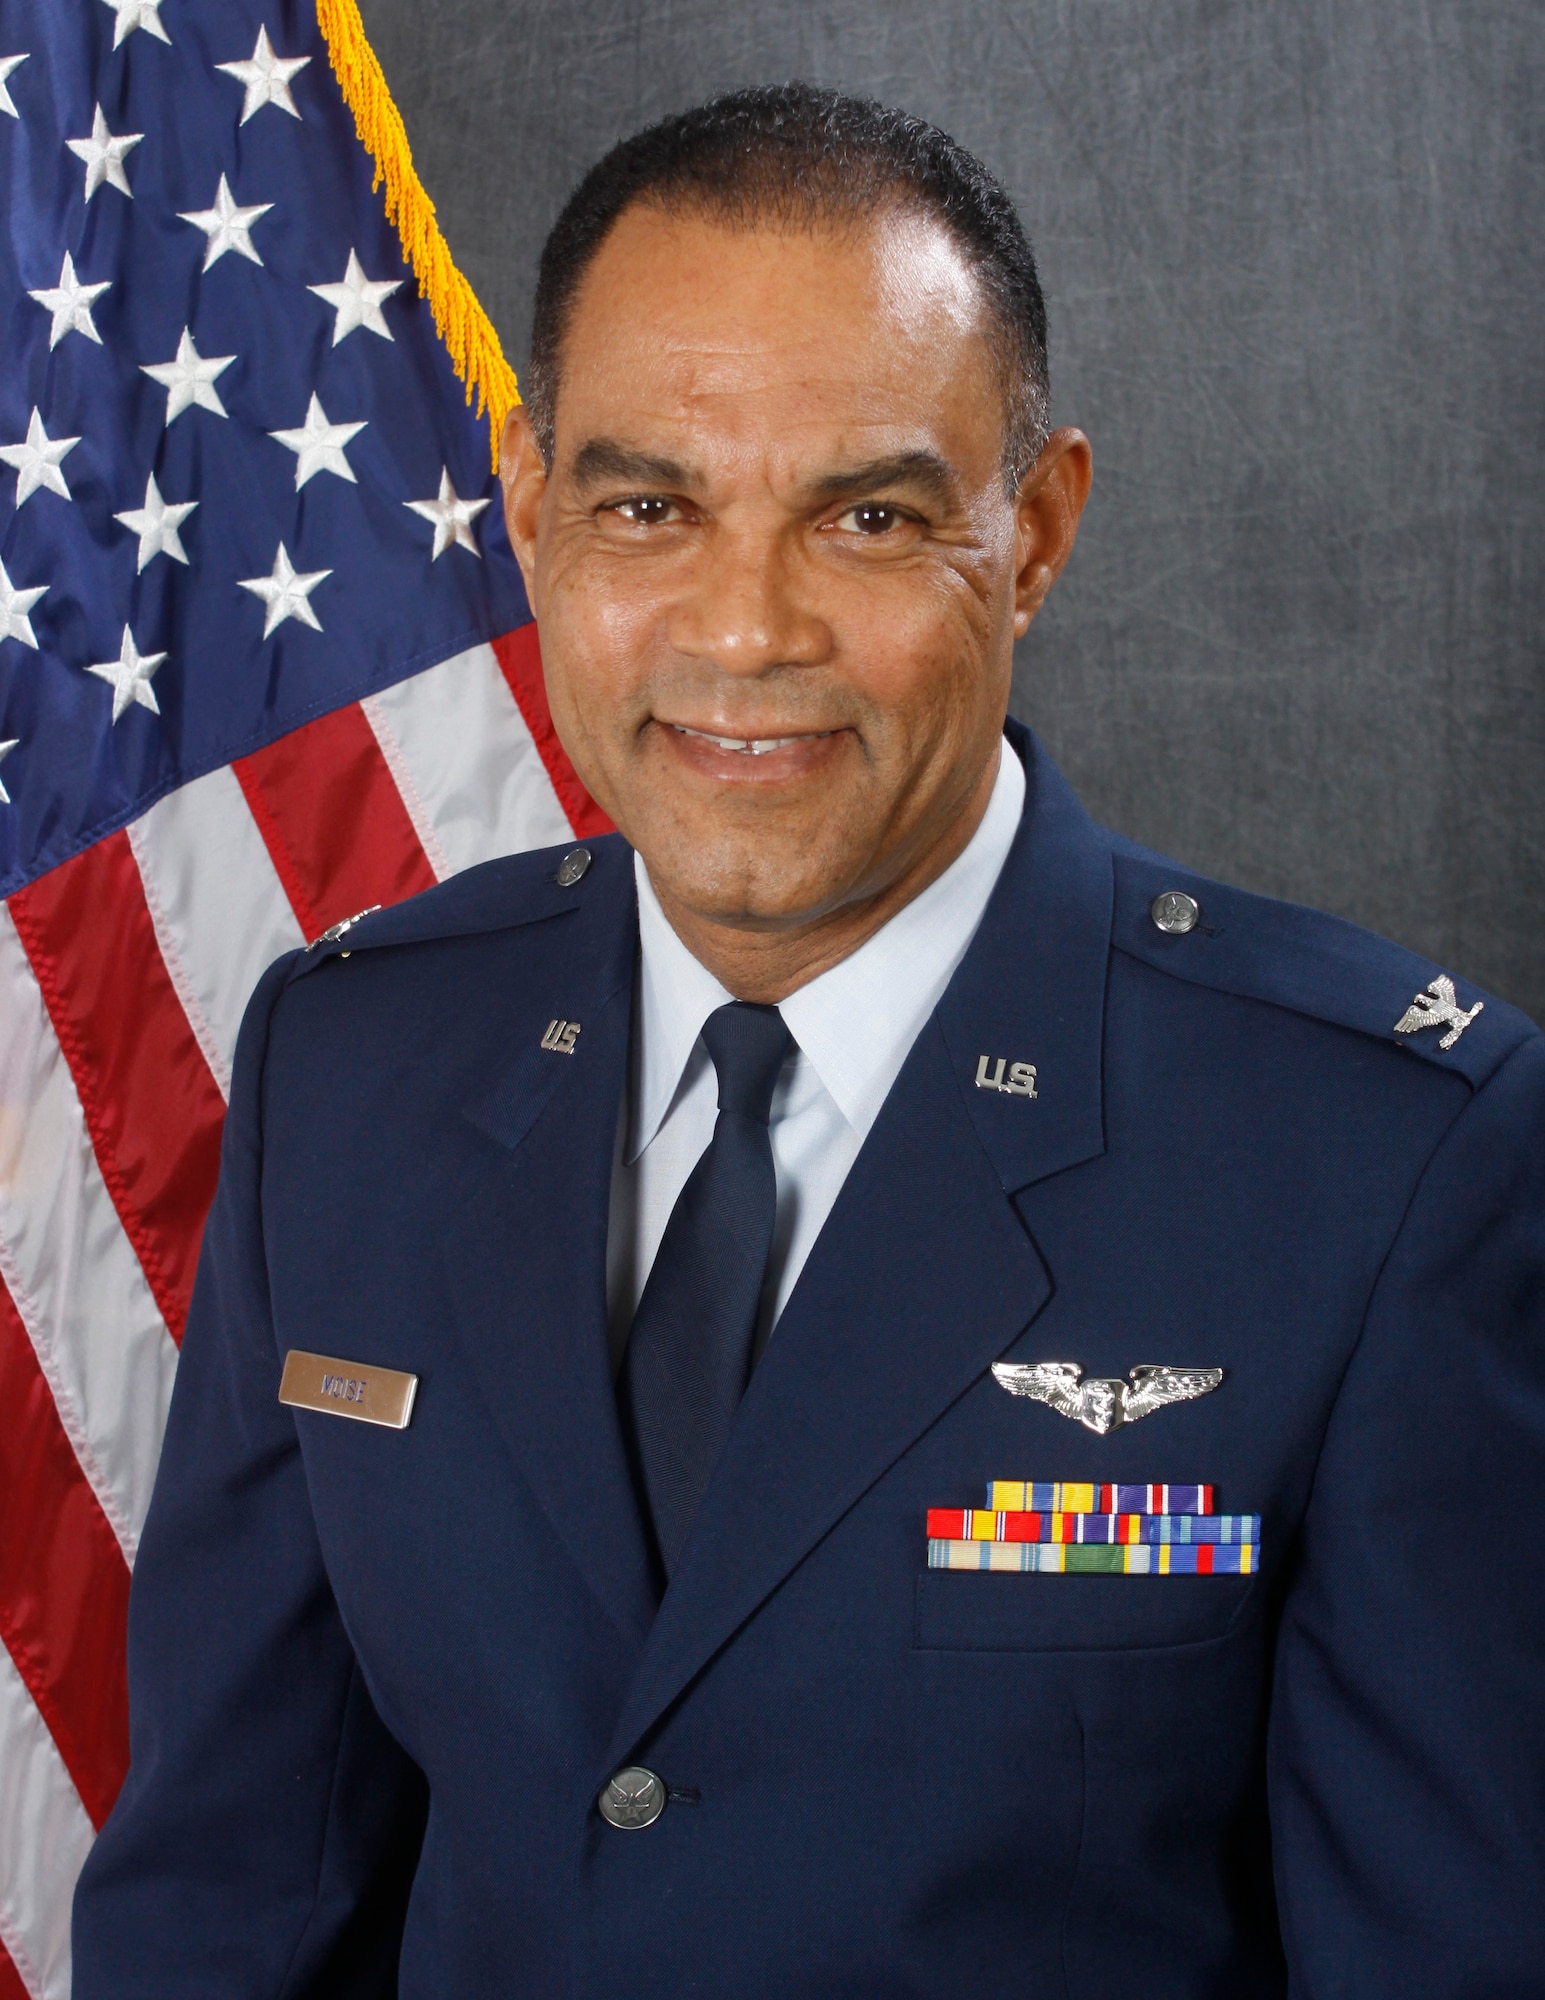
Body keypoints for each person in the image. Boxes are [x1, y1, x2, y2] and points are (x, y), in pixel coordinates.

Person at [73, 83, 1545, 1999]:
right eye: (646, 507)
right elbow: (232, 1899)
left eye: (864, 517)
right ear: (528, 514)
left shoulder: (1380, 1158)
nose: (745, 629)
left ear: (1031, 537)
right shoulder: (352, 1066)